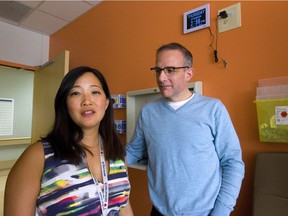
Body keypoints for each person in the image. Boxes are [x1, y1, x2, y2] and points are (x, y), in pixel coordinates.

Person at [126, 42, 245, 216]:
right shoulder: (148, 112)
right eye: (158, 70)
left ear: (188, 73)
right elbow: (134, 151)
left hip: (207, 212)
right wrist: (100, 163)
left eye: (170, 70)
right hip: (159, 211)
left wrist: (221, 212)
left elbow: (233, 163)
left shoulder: (213, 109)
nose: (161, 77)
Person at [5, 66, 134, 216]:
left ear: (106, 103)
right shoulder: (38, 155)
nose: (87, 100)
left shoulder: (117, 153)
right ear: (65, 105)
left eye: (95, 92)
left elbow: (124, 206)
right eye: (76, 93)